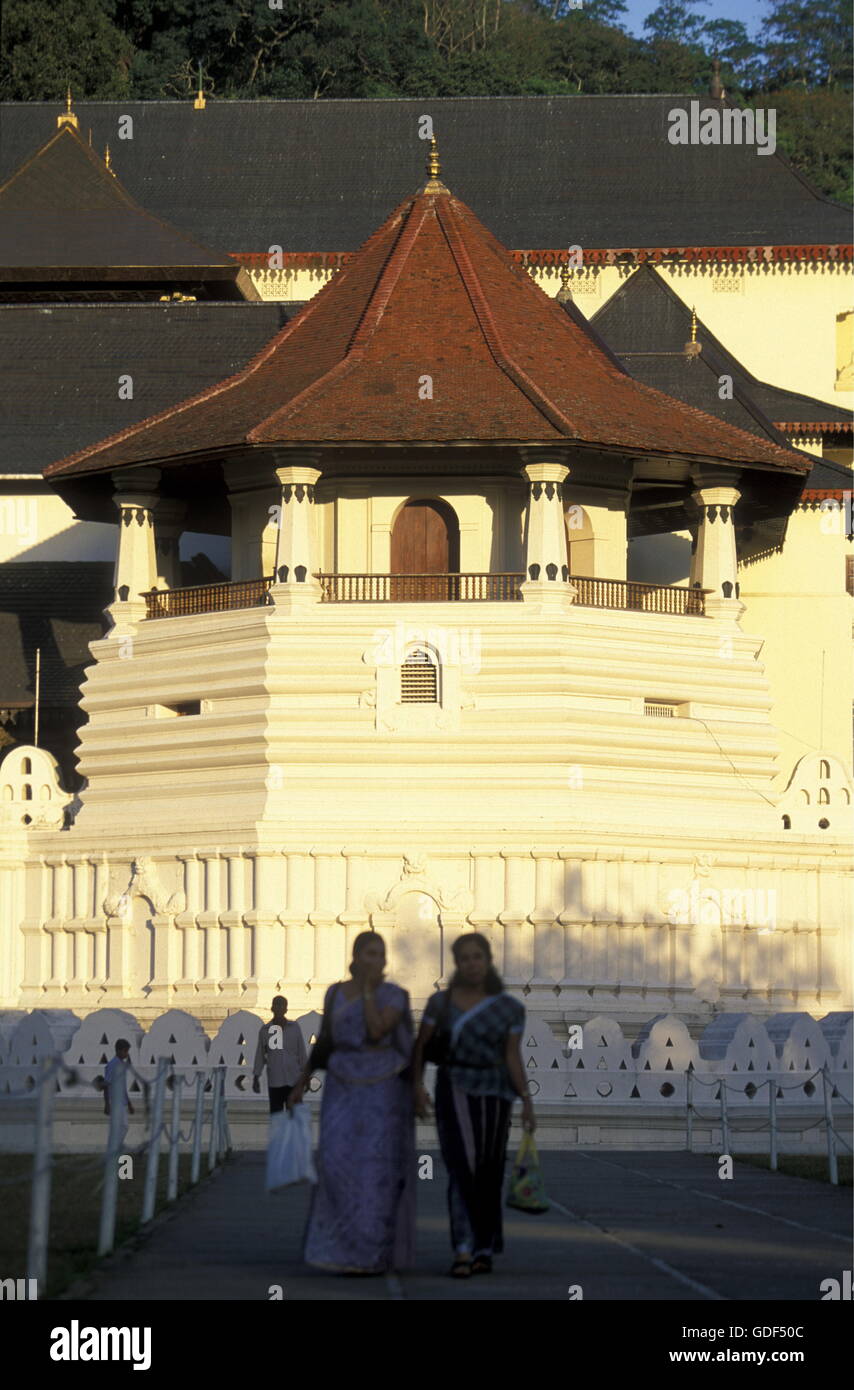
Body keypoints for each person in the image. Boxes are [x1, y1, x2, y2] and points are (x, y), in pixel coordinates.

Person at [288, 931, 415, 1274]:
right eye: (370, 954)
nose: (377, 960)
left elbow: (376, 1031)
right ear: (356, 956)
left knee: (374, 1170)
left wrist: (369, 991)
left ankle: (371, 1253)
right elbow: (326, 1040)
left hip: (382, 1089)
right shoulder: (335, 992)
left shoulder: (394, 996)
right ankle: (336, 1246)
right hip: (342, 1086)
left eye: (381, 954)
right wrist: (302, 1080)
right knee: (334, 1162)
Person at [413, 932, 535, 1278]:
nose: (472, 963)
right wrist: (417, 1088)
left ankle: (484, 1247)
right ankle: (463, 1249)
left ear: (487, 960)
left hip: (496, 1094)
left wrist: (526, 1100)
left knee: (489, 1169)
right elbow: (421, 1046)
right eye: (464, 957)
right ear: (457, 963)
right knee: (460, 1167)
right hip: (455, 1090)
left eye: (477, 956)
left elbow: (512, 1055)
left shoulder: (509, 1008)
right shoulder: (440, 1003)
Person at [252, 996, 308, 1112]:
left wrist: (306, 1076)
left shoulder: (294, 1028)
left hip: (293, 1080)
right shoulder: (265, 1031)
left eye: (282, 1005)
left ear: (286, 1009)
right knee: (277, 1118)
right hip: (275, 1081)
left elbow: (301, 1052)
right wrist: (256, 1077)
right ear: (272, 1008)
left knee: (294, 1117)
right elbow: (260, 1055)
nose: (279, 1007)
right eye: (277, 1005)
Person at [102, 1038, 135, 1147]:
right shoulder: (112, 1065)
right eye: (125, 1051)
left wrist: (129, 1103)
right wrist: (107, 1104)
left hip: (122, 1101)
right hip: (114, 1101)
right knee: (119, 1126)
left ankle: (116, 1146)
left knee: (124, 1126)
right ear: (119, 1051)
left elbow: (123, 1087)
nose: (126, 1054)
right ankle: (115, 1147)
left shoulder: (121, 1064)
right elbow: (106, 1084)